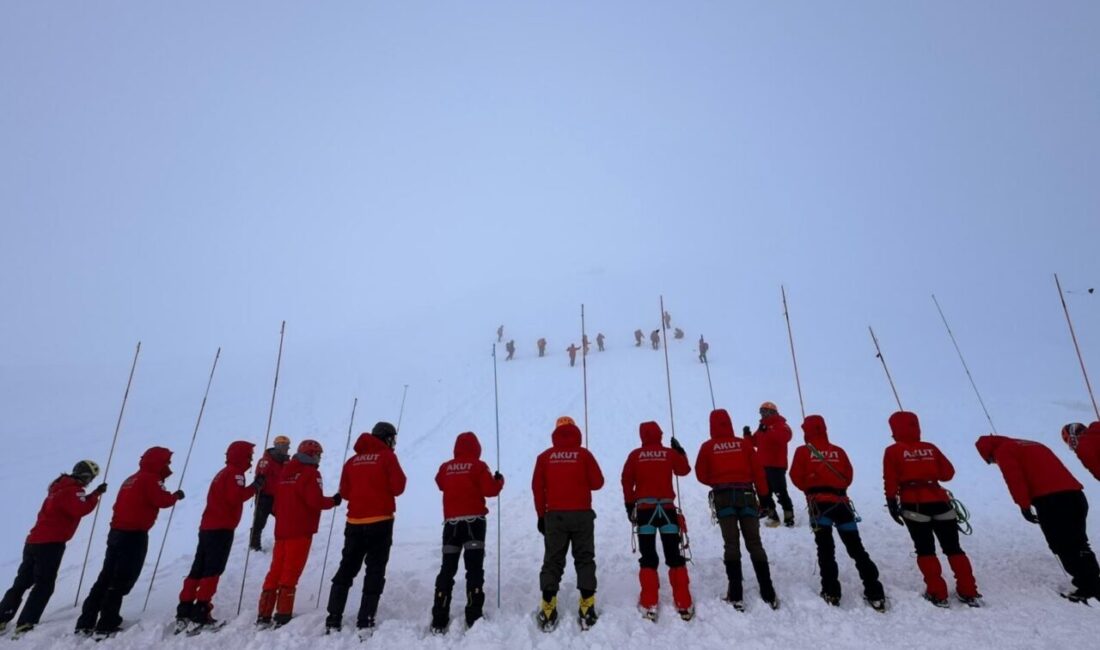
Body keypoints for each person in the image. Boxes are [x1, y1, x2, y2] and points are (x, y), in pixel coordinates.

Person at [976, 434, 1100, 602]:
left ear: (989, 452)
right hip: (1076, 496)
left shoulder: (1004, 451)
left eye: (991, 460)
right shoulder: (1033, 444)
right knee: (1078, 541)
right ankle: (1093, 580)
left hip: (1052, 501)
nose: (995, 463)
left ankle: (1087, 586)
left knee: (1062, 543)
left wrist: (1024, 505)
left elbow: (1015, 479)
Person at [76, 447, 182, 636]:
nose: (169, 465)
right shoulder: (151, 478)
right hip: (133, 535)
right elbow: (162, 500)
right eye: (167, 462)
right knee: (122, 579)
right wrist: (175, 496)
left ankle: (86, 621)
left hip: (116, 532)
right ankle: (107, 623)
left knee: (106, 576)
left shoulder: (131, 478)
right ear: (158, 462)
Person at [883, 411, 979, 607]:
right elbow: (948, 473)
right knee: (953, 548)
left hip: (913, 504)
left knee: (925, 549)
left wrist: (892, 502)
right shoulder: (930, 448)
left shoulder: (892, 451)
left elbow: (890, 479)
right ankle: (968, 590)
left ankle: (937, 592)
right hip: (940, 501)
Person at [789, 416, 885, 611]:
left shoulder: (803, 451)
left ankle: (831, 591)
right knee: (857, 548)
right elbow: (848, 476)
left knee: (825, 549)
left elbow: (795, 476)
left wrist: (810, 487)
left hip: (819, 505)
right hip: (842, 504)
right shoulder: (838, 451)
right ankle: (875, 592)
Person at [0, 462, 105, 635]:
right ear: (85, 476)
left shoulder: (58, 488)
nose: (89, 482)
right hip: (50, 544)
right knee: (44, 584)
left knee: (22, 581)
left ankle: (2, 616)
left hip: (33, 541)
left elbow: (73, 504)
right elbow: (80, 508)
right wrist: (95, 496)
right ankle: (26, 622)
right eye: (90, 478)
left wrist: (93, 494)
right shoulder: (74, 490)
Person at [325, 422, 406, 635]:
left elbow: (345, 493)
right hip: (381, 521)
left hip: (354, 523)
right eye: (393, 439)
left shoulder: (352, 461)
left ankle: (333, 618)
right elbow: (398, 487)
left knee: (346, 568)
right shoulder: (387, 457)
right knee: (375, 570)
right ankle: (366, 619)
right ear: (387, 438)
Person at [694, 409, 778, 611]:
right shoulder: (744, 444)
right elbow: (758, 472)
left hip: (723, 497)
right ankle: (768, 591)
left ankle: (736, 593)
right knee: (754, 543)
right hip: (747, 495)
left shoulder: (708, 446)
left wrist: (717, 480)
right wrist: (765, 497)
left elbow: (700, 474)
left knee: (731, 544)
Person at [532, 416, 605, 631]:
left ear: (556, 432)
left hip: (555, 517)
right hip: (582, 515)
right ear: (575, 431)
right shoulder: (584, 454)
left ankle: (548, 608)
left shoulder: (544, 457)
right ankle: (587, 608)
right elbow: (598, 483)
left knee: (553, 560)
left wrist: (541, 516)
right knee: (584, 558)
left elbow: (537, 488)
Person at [176, 441, 258, 630]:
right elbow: (235, 497)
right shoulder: (236, 474)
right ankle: (201, 612)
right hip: (221, 528)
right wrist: (255, 487)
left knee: (198, 569)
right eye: (249, 456)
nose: (251, 460)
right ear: (242, 456)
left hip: (208, 526)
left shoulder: (223, 472)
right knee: (213, 570)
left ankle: (184, 609)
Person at [429, 432, 504, 634]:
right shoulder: (479, 466)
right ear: (476, 448)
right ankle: (473, 615)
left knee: (447, 569)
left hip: (451, 524)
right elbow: (490, 490)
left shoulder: (446, 467)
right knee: (474, 569)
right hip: (474, 523)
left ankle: (439, 618)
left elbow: (439, 482)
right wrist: (499, 481)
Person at [258, 440, 338, 628]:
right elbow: (314, 500)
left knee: (275, 570)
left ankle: (264, 614)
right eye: (318, 455)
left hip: (282, 530)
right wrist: (334, 501)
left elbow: (275, 504)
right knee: (291, 571)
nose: (320, 458)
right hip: (300, 530)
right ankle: (283, 614)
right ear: (312, 455)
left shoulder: (285, 472)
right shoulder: (311, 473)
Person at [621, 422, 693, 621]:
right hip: (667, 511)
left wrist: (629, 505)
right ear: (659, 434)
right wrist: (680, 452)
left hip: (646, 512)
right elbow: (684, 470)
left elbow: (626, 480)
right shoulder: (668, 453)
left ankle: (649, 602)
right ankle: (684, 602)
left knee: (648, 556)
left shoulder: (635, 455)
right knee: (674, 555)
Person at [749, 402, 795, 527]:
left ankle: (789, 516)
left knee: (780, 491)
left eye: (765, 412)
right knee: (764, 492)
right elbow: (755, 442)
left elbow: (783, 438)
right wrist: (747, 436)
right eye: (762, 412)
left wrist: (768, 430)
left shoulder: (782, 425)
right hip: (762, 465)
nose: (763, 414)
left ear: (773, 412)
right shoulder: (763, 427)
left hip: (776, 465)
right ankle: (772, 515)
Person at [250, 435, 291, 551]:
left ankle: (284, 542)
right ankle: (254, 545)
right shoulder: (266, 460)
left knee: (285, 520)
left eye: (288, 446)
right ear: (279, 446)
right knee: (259, 522)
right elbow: (260, 477)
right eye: (285, 446)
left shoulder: (286, 461)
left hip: (279, 497)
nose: (287, 448)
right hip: (265, 496)